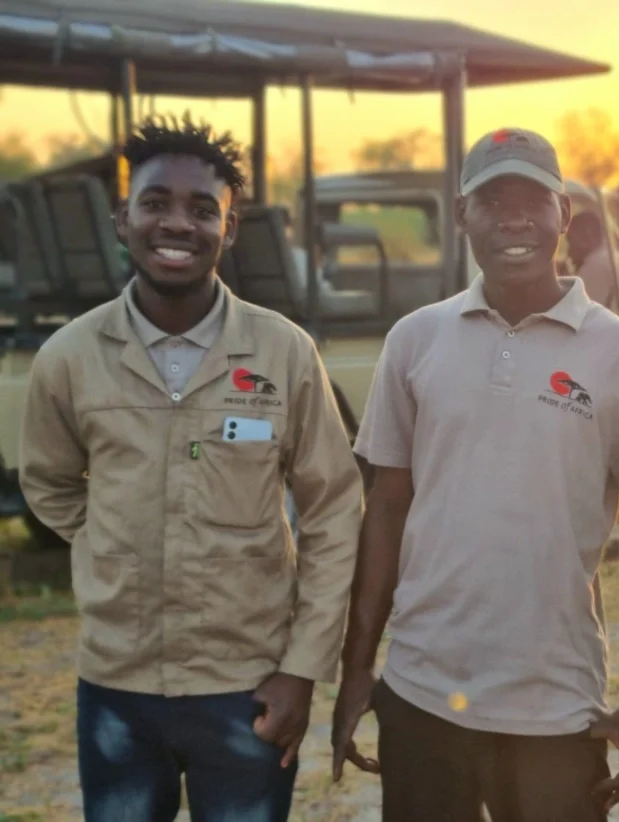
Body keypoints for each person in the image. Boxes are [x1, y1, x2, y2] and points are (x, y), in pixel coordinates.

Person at [330, 127, 619, 822]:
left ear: (565, 218)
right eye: (492, 200)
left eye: (533, 200)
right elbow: (386, 509)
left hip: (555, 706)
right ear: (462, 215)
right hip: (423, 694)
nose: (514, 218)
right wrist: (355, 670)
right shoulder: (415, 340)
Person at [18, 115, 365, 822]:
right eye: (155, 203)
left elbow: (333, 511)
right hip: (117, 685)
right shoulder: (70, 358)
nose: (178, 223)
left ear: (230, 229)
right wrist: (111, 538)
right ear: (123, 219)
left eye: (202, 209)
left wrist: (301, 668)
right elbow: (49, 485)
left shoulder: (285, 354)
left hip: (248, 686)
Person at [566, 209, 619, 309]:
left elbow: (575, 309)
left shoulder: (595, 266)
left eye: (571, 241)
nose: (569, 252)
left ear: (587, 235)